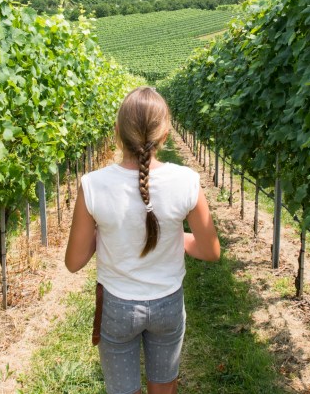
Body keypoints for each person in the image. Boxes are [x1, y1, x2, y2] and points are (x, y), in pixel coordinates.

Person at [65, 86, 221, 394]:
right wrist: (177, 238)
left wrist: (105, 230)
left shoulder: (93, 185)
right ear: (165, 135)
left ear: (116, 133)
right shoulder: (187, 181)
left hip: (118, 308)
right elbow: (210, 251)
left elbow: (74, 262)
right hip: (168, 305)